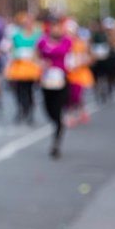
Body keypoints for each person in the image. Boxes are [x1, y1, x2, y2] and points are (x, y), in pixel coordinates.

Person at [37, 17, 72, 159]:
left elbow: (74, 57)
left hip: (62, 80)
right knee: (48, 110)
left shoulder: (68, 41)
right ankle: (56, 124)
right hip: (47, 81)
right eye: (53, 26)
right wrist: (41, 64)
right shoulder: (42, 41)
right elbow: (36, 56)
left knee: (57, 112)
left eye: (58, 27)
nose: (56, 29)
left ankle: (56, 143)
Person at [4, 11, 41, 125]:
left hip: (31, 67)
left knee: (29, 90)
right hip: (18, 66)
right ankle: (21, 110)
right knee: (18, 90)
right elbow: (11, 49)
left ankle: (29, 112)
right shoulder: (16, 35)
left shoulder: (38, 35)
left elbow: (39, 51)